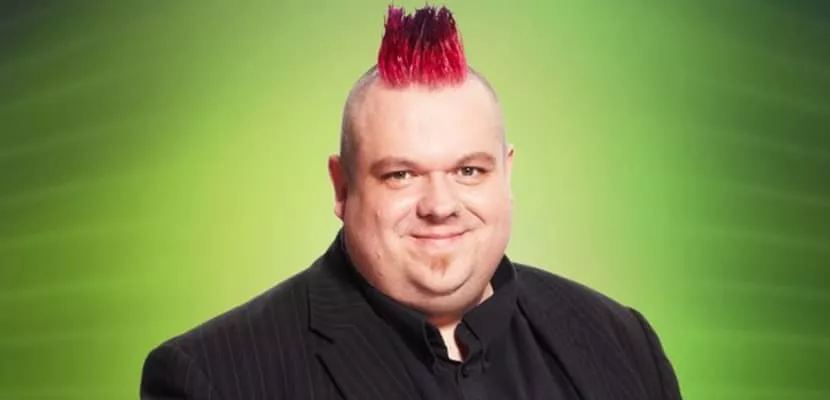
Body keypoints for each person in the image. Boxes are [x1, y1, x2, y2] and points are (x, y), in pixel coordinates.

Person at [140, 5, 682, 400]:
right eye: (401, 175)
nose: (440, 205)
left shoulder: (622, 342)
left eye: (468, 171)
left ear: (506, 174)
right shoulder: (214, 378)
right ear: (342, 188)